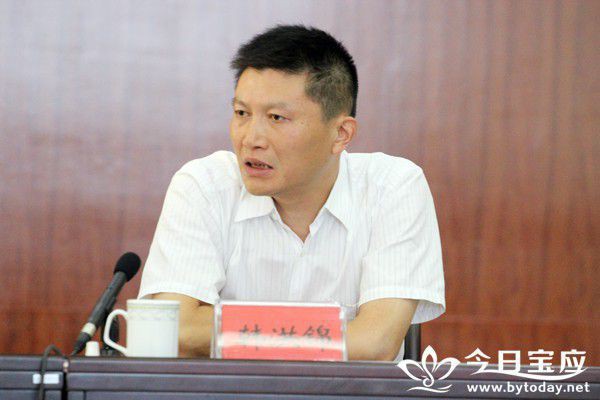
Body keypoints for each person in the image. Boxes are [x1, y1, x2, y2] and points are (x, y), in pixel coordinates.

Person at [138, 25, 445, 361]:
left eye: (277, 117)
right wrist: (333, 333)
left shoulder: (393, 188)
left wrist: (225, 329)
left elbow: (375, 345)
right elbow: (175, 331)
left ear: (341, 134)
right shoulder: (204, 186)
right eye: (242, 113)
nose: (251, 139)